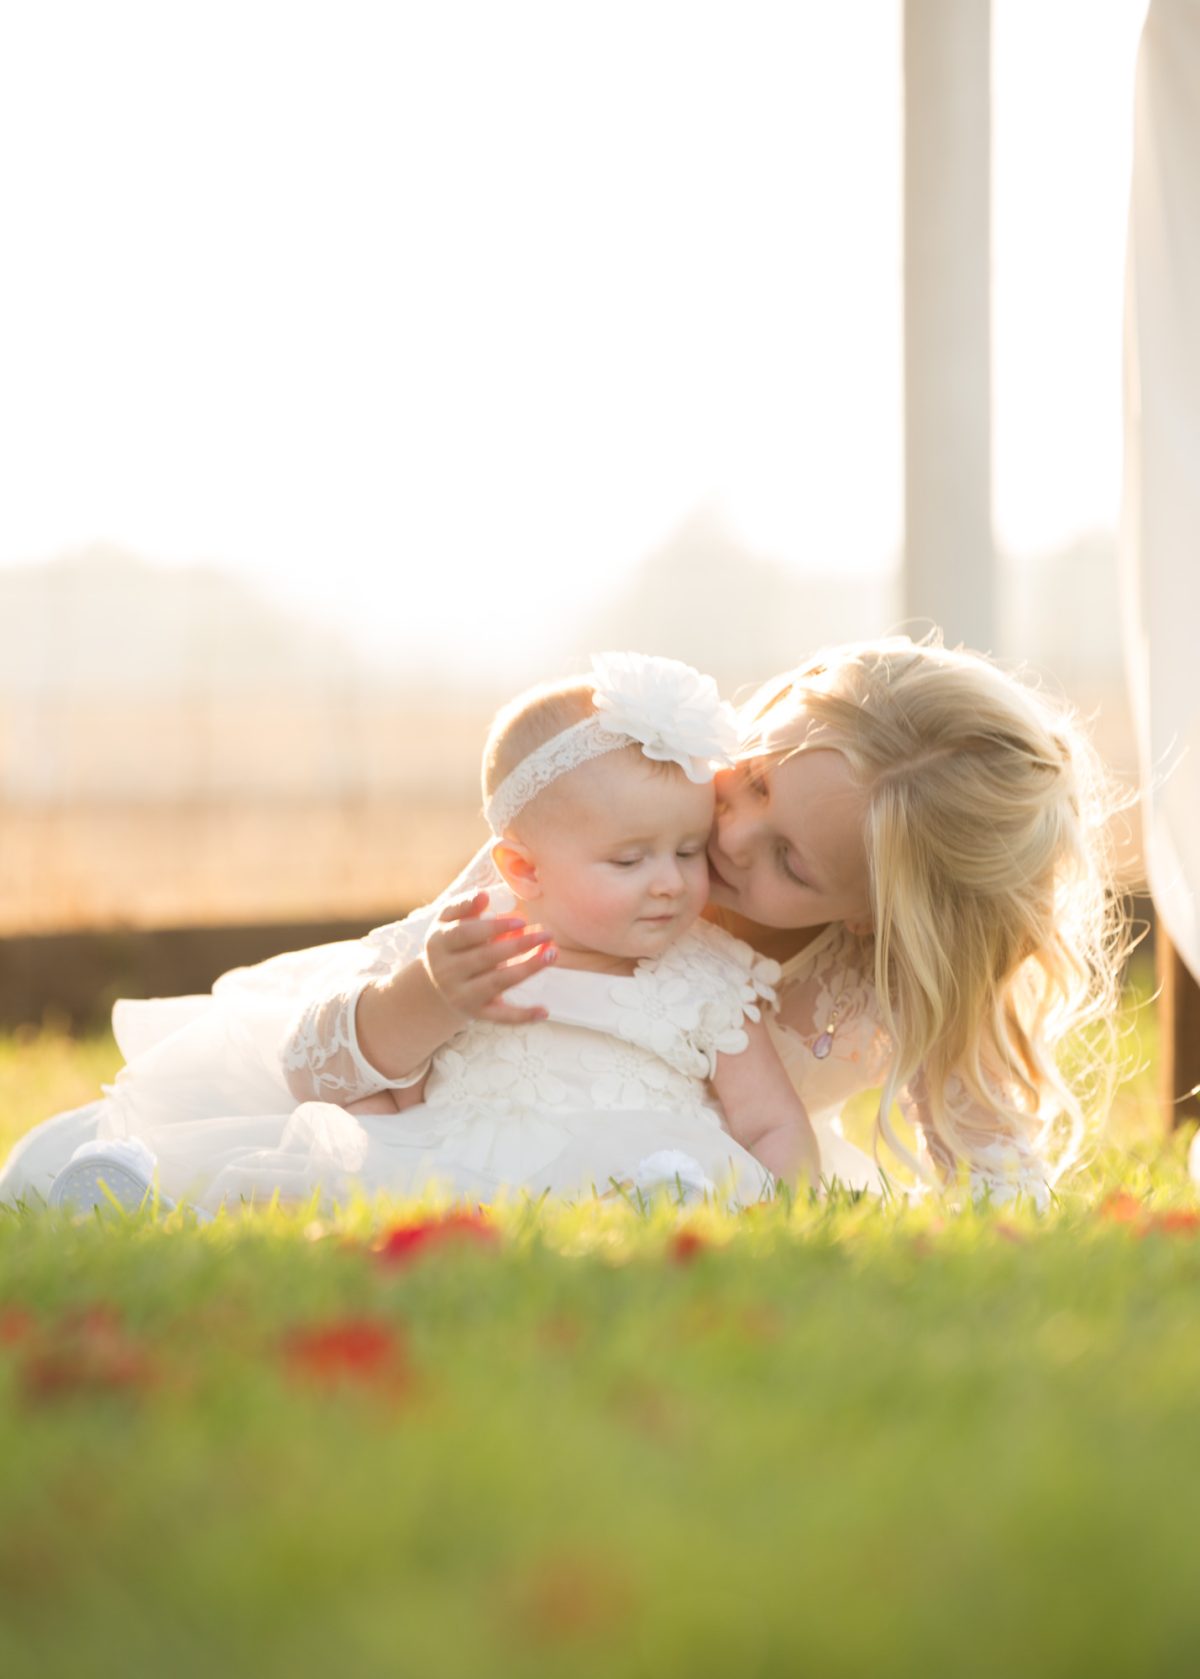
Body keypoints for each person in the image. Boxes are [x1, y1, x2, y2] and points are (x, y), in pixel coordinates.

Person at [280, 634, 1125, 1208]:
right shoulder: (616, 836)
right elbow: (346, 1037)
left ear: (872, 917)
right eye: (753, 779)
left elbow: (998, 1179)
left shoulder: (897, 979)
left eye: (791, 861)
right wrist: (432, 994)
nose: (729, 836)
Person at [13, 654, 821, 1215]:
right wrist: (427, 998)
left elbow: (769, 1120)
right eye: (628, 859)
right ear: (523, 867)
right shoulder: (461, 944)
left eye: (686, 850)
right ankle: (122, 1185)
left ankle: (665, 1208)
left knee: (675, 1187)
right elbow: (321, 1068)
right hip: (444, 1157)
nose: (671, 881)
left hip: (639, 1161)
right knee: (296, 1172)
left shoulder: (709, 976)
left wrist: (789, 1203)